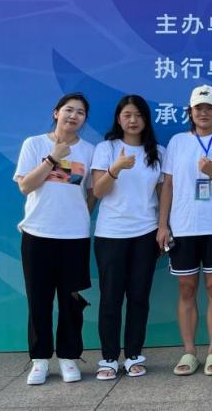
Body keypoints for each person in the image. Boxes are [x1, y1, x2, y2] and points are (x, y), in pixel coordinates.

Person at [157, 84, 212, 378]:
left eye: (209, 108)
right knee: (186, 288)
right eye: (198, 108)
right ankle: (190, 351)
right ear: (190, 112)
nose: (203, 113)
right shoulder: (177, 142)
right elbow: (168, 185)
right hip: (183, 227)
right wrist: (163, 225)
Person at [14, 92, 94, 386]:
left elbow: (91, 193)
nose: (74, 116)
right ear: (56, 113)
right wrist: (53, 157)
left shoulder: (89, 150)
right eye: (69, 110)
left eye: (80, 113)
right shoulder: (34, 144)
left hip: (74, 236)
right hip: (38, 233)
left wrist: (77, 216)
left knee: (71, 300)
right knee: (39, 299)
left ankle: (69, 357)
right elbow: (26, 186)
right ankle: (40, 360)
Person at [91, 95, 165, 380]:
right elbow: (98, 191)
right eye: (127, 115)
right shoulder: (106, 148)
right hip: (111, 234)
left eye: (138, 115)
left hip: (146, 233)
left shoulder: (158, 152)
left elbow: (163, 194)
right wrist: (116, 167)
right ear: (118, 119)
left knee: (139, 297)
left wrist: (163, 227)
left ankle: (134, 355)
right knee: (110, 298)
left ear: (146, 119)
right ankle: (109, 358)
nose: (133, 120)